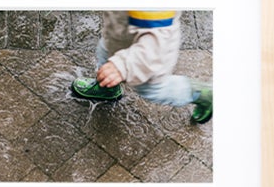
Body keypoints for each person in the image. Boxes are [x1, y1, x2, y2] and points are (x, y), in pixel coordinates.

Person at [70, 11, 213, 123]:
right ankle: (108, 88)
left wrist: (123, 65)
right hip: (121, 34)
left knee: (153, 90)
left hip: (149, 57)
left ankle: (201, 93)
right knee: (105, 53)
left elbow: (155, 45)